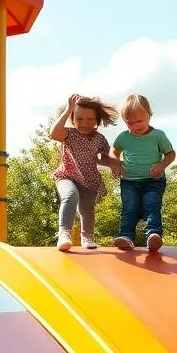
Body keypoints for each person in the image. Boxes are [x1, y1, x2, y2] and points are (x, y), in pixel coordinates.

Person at [50, 93, 120, 251]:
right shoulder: (69, 134)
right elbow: (54, 133)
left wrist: (115, 164)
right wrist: (68, 110)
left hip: (89, 180)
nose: (85, 123)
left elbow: (106, 157)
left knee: (87, 209)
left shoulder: (99, 138)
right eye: (79, 119)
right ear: (73, 119)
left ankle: (87, 238)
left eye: (90, 119)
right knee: (70, 196)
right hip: (67, 175)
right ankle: (64, 233)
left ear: (97, 121)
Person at [110, 94, 175, 253]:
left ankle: (154, 234)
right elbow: (114, 152)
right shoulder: (124, 137)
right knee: (129, 207)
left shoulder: (158, 135)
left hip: (153, 180)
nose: (135, 126)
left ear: (149, 115)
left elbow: (170, 154)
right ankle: (126, 236)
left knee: (151, 205)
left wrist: (162, 165)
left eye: (139, 121)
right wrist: (115, 164)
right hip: (129, 181)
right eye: (129, 123)